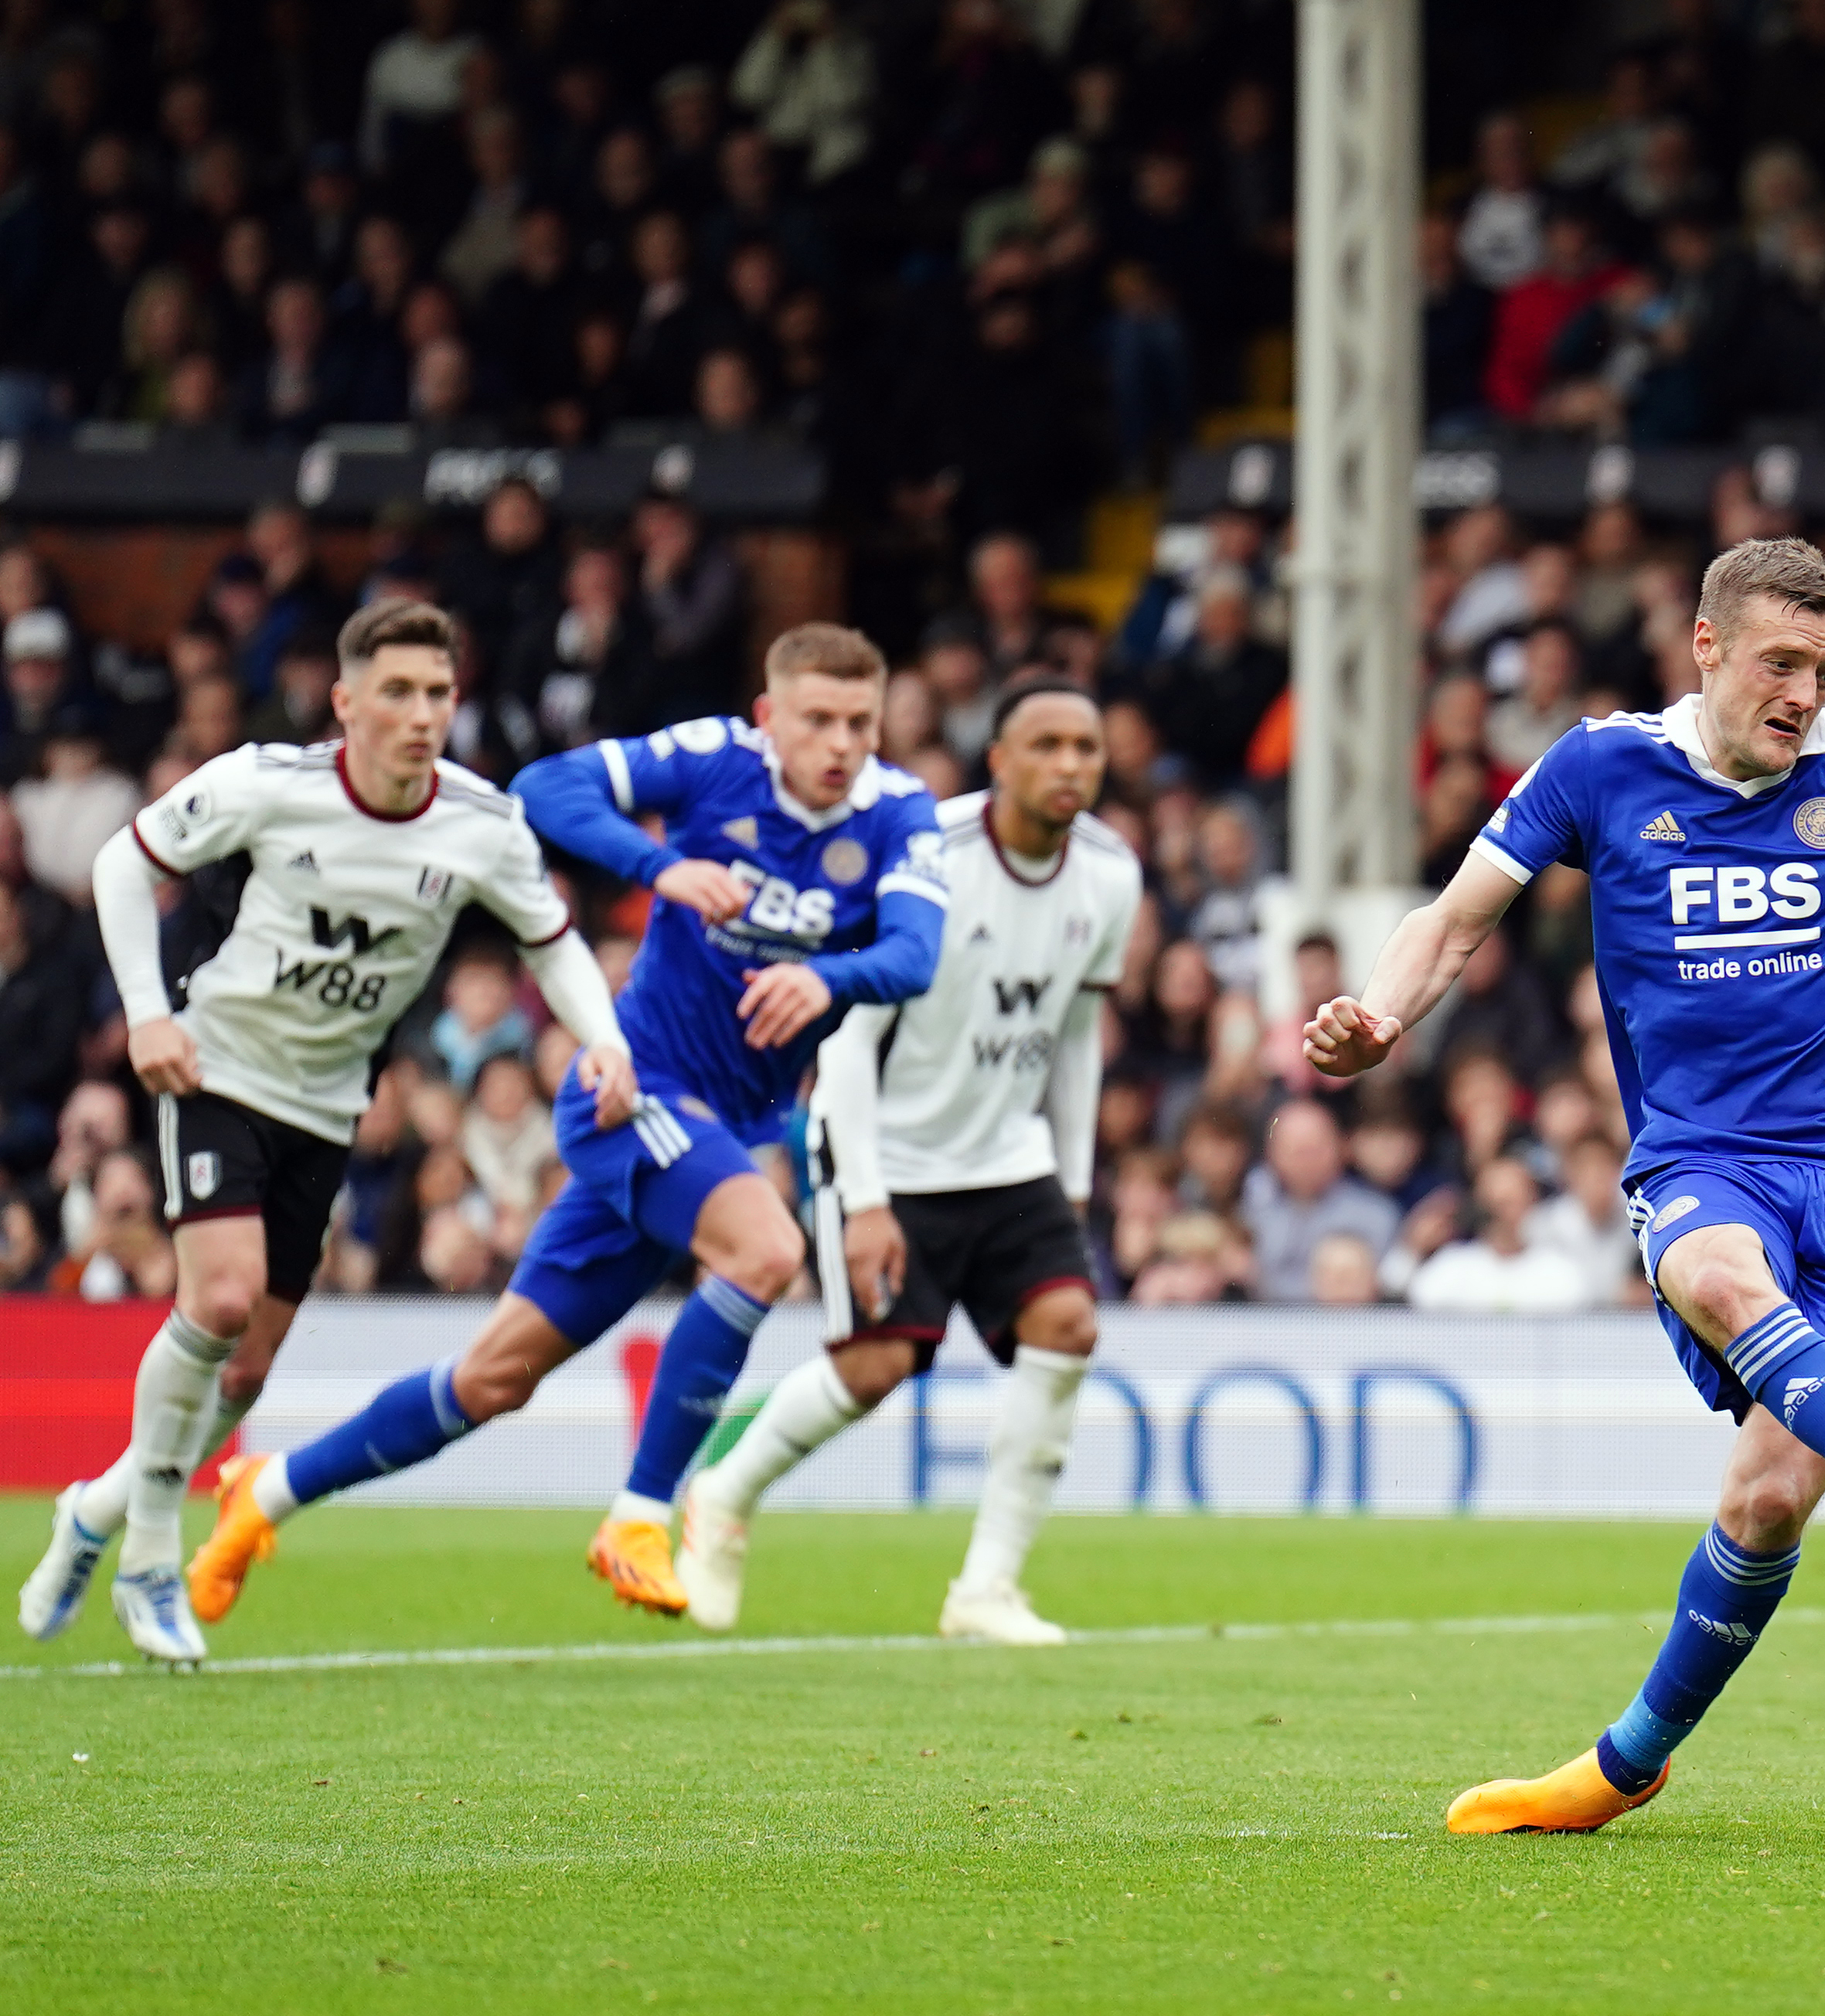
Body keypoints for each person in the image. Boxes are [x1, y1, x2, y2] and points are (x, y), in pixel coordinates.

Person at [1301, 538, 1825, 1834]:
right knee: (1719, 1273)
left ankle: (1623, 1763)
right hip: (1702, 1160)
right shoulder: (1603, 769)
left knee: (1766, 1499)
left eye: (1824, 669)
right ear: (1707, 647)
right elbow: (1451, 919)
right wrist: (1381, 1015)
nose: (1805, 694)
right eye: (1782, 662)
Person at [187, 625, 947, 1624]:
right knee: (765, 1248)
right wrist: (658, 867)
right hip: (630, 1091)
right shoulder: (715, 760)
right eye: (817, 720)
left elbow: (915, 951)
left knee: (492, 1379)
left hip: (711, 1125)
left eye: (859, 722)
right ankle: (640, 1515)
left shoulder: (898, 813)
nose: (840, 743)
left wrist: (827, 976)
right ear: (772, 717)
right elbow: (547, 788)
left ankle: (268, 1491)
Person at [15, 601, 634, 1665]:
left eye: (438, 693)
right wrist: (149, 1014)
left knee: (247, 1374)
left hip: (328, 1103)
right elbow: (125, 863)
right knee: (213, 1299)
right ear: (345, 704)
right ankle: (152, 1555)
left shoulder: (481, 823)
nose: (421, 714)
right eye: (396, 692)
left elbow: (555, 941)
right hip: (219, 1068)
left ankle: (95, 1509)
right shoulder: (269, 782)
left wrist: (606, 1039)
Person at [677, 678, 1138, 1644]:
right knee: (877, 1365)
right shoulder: (929, 857)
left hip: (1010, 1154)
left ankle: (986, 1590)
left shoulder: (1110, 872)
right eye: (1045, 745)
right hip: (880, 1145)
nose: (1068, 765)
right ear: (999, 760)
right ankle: (722, 1492)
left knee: (1067, 1324)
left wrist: (1079, 1178)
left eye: (1085, 747)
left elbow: (1081, 1032)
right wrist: (868, 1202)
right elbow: (845, 1040)